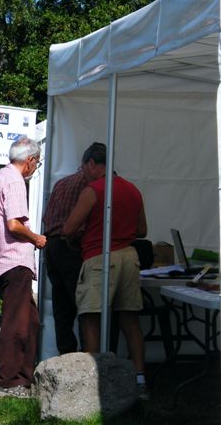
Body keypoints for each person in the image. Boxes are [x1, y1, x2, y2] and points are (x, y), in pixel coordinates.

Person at [62, 144, 149, 399]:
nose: (84, 173)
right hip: (129, 257)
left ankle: (93, 382)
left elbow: (68, 229)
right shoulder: (133, 189)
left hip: (100, 257)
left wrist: (85, 232)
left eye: (84, 168)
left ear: (91, 164)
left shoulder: (93, 190)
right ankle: (140, 378)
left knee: (91, 318)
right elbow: (142, 230)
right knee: (129, 320)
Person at [0, 137, 47, 399]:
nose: (35, 168)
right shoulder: (15, 181)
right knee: (16, 323)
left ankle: (22, 377)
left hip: (1, 257)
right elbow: (14, 225)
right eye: (37, 163)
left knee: (29, 320)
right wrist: (36, 238)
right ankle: (9, 383)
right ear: (30, 160)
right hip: (14, 259)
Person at [42, 143, 105, 355]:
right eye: (103, 168)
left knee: (62, 309)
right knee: (84, 306)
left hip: (51, 246)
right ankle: (87, 359)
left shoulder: (62, 183)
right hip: (70, 248)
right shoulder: (88, 186)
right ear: (90, 164)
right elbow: (79, 226)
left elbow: (47, 217)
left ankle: (66, 356)